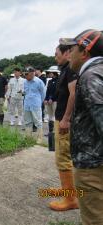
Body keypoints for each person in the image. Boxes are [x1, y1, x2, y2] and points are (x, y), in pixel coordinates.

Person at [60, 29, 103, 224]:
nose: (69, 54)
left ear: (85, 52)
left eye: (72, 48)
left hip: (92, 166)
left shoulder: (90, 77)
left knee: (94, 219)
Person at [48, 43, 78, 211]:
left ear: (67, 53)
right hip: (61, 118)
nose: (55, 57)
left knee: (63, 158)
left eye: (57, 53)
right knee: (62, 156)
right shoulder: (66, 70)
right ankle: (67, 190)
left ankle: (71, 199)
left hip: (65, 120)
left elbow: (74, 93)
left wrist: (66, 119)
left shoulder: (71, 69)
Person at [23, 67, 45, 143]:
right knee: (27, 121)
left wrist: (39, 102)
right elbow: (25, 92)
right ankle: (28, 137)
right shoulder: (25, 82)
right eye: (25, 74)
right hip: (26, 104)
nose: (25, 76)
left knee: (38, 122)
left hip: (35, 104)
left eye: (27, 74)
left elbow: (43, 94)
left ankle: (40, 138)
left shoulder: (39, 82)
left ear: (32, 74)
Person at [44, 66, 59, 135]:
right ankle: (50, 132)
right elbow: (47, 91)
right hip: (49, 100)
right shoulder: (50, 81)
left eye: (50, 72)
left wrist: (52, 99)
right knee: (50, 115)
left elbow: (57, 91)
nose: (49, 74)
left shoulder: (59, 80)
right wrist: (46, 99)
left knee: (55, 116)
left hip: (55, 100)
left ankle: (56, 132)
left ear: (54, 73)